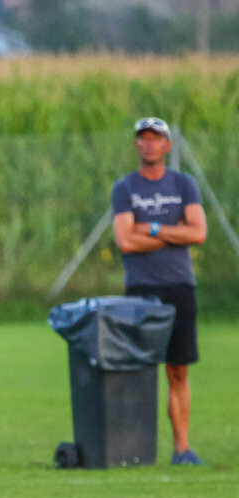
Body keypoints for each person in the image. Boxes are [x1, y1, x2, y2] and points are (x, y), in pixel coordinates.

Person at [112, 117, 207, 465]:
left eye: (156, 138)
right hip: (140, 289)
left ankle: (182, 448)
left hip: (180, 286)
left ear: (168, 145)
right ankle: (133, 449)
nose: (149, 144)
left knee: (177, 370)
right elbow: (124, 240)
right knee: (138, 371)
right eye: (143, 138)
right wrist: (173, 230)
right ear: (136, 145)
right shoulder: (125, 188)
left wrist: (150, 227)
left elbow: (198, 234)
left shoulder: (184, 185)